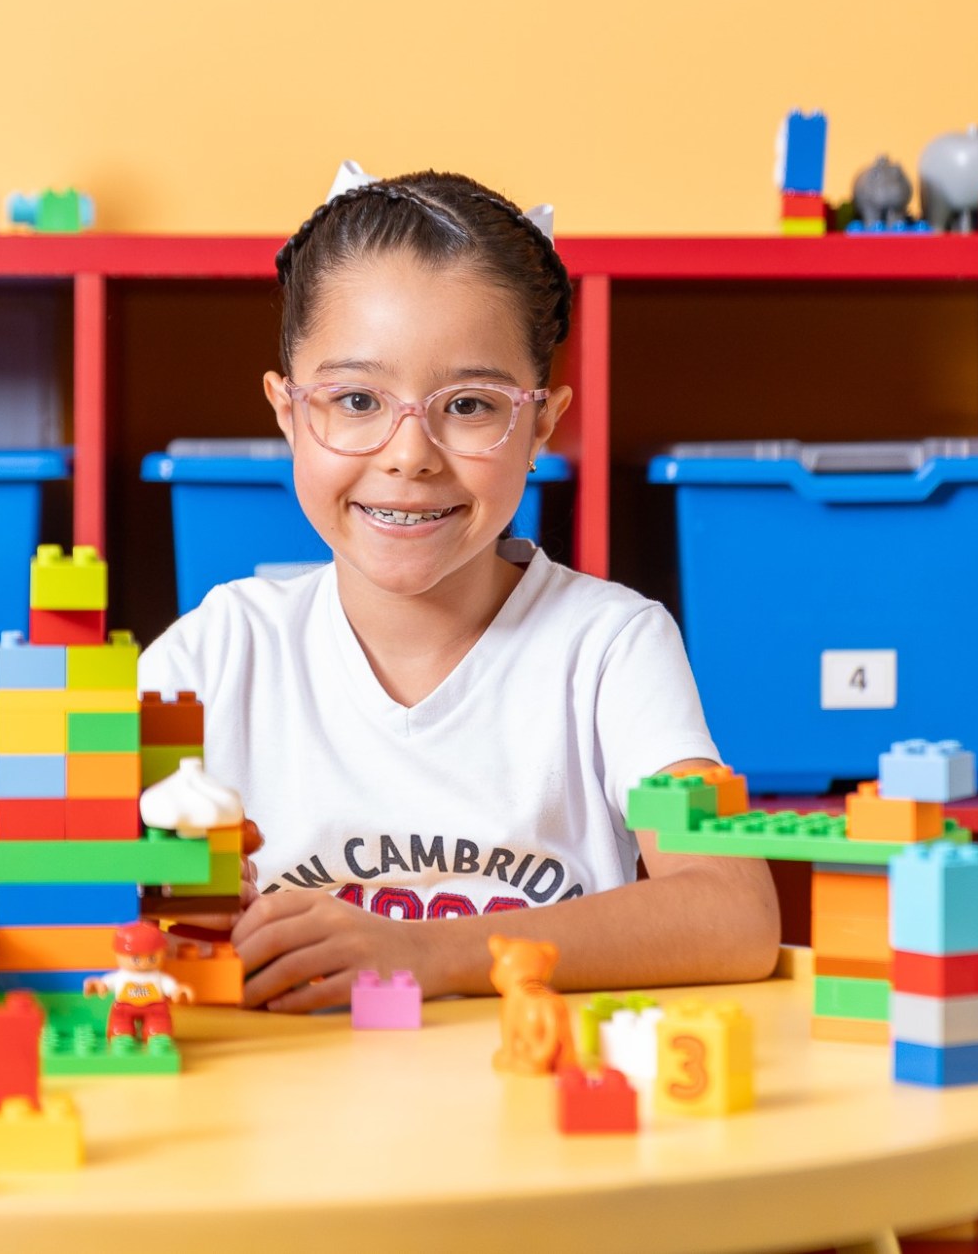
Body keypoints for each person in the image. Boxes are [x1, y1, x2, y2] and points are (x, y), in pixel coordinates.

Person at [138, 168, 780, 1014]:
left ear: (543, 423)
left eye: (470, 404)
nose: (411, 454)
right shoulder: (215, 655)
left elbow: (734, 909)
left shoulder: (610, 650)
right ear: (289, 413)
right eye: (357, 398)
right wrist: (172, 898)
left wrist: (424, 953)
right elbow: (84, 880)